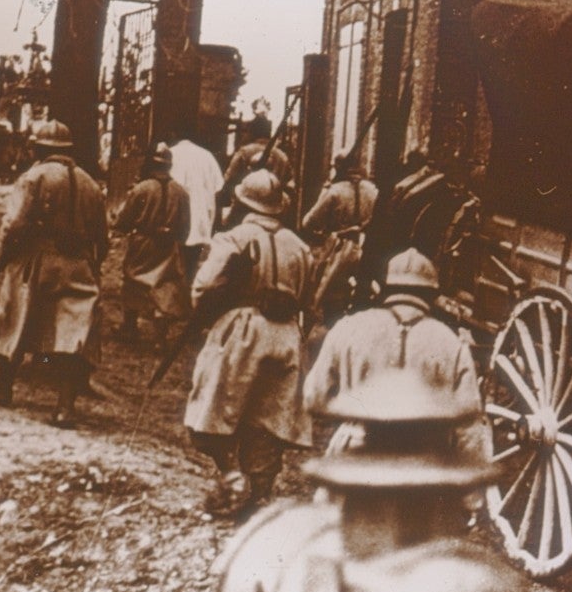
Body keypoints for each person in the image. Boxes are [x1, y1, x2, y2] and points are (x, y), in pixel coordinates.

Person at [183, 170, 313, 515]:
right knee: (268, 418)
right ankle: (258, 496)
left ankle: (232, 476)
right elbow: (310, 297)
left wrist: (206, 312)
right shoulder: (299, 247)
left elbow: (205, 286)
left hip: (241, 330)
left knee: (213, 410)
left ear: (242, 202)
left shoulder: (232, 239)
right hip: (285, 334)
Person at [303, 249, 490, 464]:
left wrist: (353, 409)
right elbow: (469, 427)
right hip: (425, 460)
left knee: (338, 496)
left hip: (357, 452)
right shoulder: (450, 343)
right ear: (432, 295)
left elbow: (313, 397)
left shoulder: (350, 328)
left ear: (384, 288)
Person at [0, 119, 106, 427]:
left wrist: (5, 255)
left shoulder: (33, 177)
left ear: (39, 148)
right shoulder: (91, 184)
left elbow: (15, 224)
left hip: (35, 260)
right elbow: (103, 237)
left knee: (17, 319)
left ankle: (4, 387)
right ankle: (64, 407)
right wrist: (94, 266)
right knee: (72, 332)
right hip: (78, 263)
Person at [110, 143, 191, 346]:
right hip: (168, 245)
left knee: (133, 281)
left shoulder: (142, 189)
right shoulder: (181, 193)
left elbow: (124, 218)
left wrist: (119, 226)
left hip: (144, 242)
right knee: (165, 285)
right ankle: (160, 338)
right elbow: (185, 226)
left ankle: (130, 327)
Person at [302, 152, 379, 324]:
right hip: (364, 247)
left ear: (338, 167)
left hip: (338, 249)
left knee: (330, 295)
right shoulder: (373, 190)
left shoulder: (334, 191)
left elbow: (308, 221)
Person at [164, 132, 224, 280]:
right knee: (193, 268)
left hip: (179, 223)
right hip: (202, 223)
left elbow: (170, 190)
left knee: (176, 268)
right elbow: (219, 188)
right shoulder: (207, 156)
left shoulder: (172, 154)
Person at [219, 135, 292, 229]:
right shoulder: (282, 156)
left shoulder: (244, 151)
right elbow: (290, 186)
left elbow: (228, 179)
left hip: (244, 209)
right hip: (275, 212)